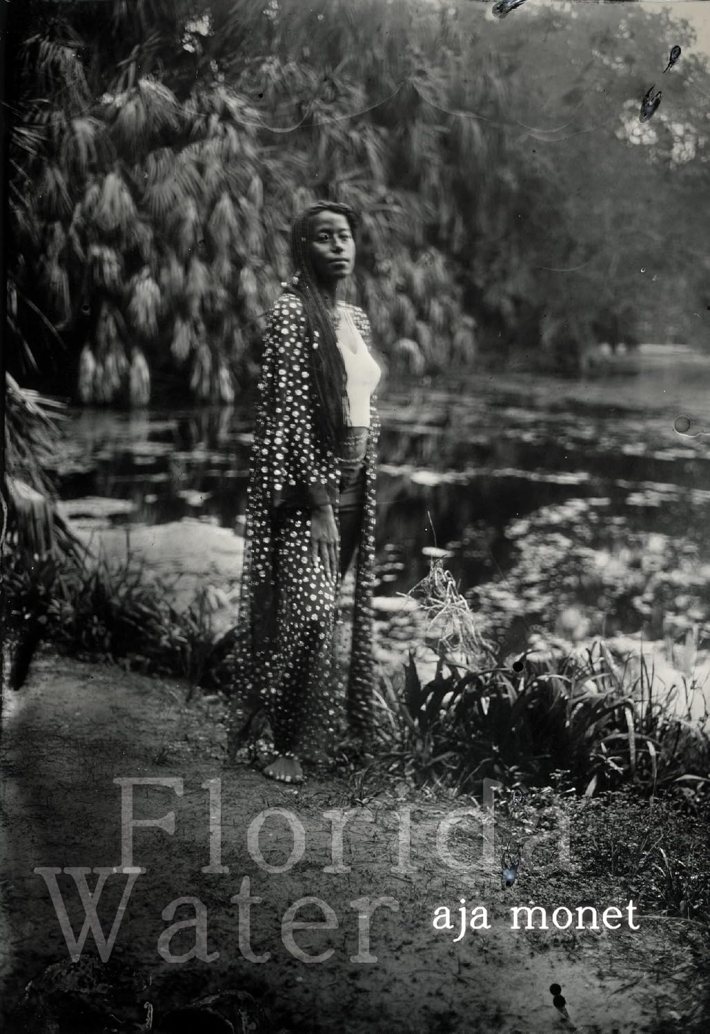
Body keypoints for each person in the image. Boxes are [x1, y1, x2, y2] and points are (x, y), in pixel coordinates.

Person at [229, 201, 382, 784]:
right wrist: (319, 505)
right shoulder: (291, 314)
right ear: (304, 250)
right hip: (305, 495)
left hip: (353, 490)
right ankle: (282, 742)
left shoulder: (357, 319)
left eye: (345, 236)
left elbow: (364, 404)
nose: (339, 246)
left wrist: (353, 485)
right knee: (313, 615)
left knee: (315, 614)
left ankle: (296, 731)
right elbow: (293, 416)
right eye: (325, 238)